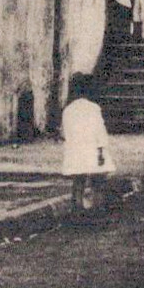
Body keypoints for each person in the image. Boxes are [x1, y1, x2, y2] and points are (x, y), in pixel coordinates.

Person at [61, 74, 116, 214]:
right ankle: (98, 208)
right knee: (97, 182)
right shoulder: (93, 108)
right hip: (92, 150)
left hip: (76, 150)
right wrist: (101, 150)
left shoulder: (68, 110)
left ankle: (77, 209)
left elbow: (65, 133)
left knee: (78, 181)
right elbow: (99, 131)